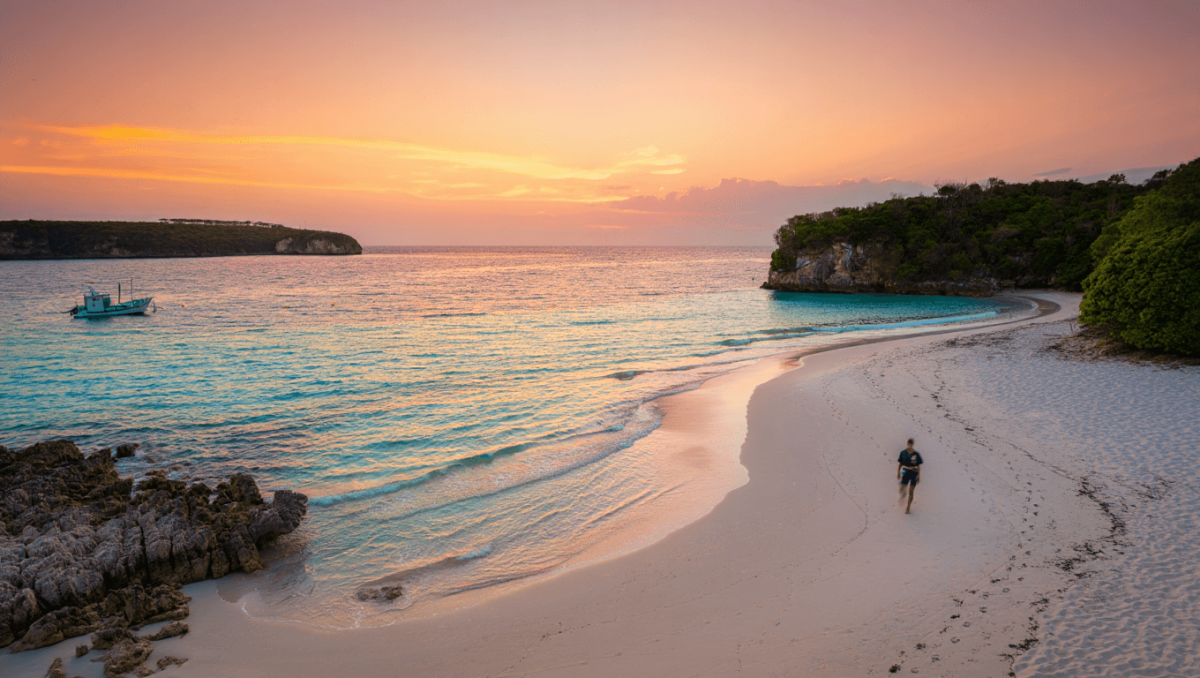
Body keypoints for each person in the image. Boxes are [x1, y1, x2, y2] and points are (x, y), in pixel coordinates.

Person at [897, 438, 923, 514]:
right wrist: (898, 472)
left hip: (914, 472)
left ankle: (908, 507)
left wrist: (919, 476)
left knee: (911, 491)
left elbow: (918, 466)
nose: (909, 446)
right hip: (905, 471)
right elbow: (900, 464)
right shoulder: (903, 453)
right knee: (902, 489)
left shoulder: (916, 454)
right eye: (908, 445)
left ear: (912, 445)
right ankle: (903, 494)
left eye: (911, 445)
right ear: (907, 444)